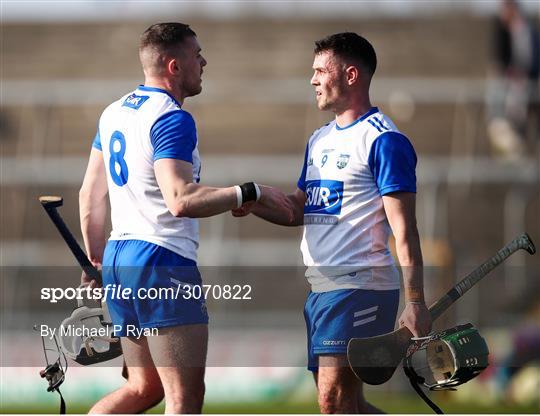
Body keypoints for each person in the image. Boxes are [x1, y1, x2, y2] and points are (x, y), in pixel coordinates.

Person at [79, 22, 292, 414]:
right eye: (197, 55)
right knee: (184, 397)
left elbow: (90, 195)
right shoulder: (171, 118)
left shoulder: (112, 112)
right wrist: (246, 192)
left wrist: (96, 261)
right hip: (161, 260)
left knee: (144, 389)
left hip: (119, 258)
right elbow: (179, 199)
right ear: (175, 66)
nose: (204, 61)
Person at [233, 32, 432, 413]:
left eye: (321, 70)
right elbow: (299, 209)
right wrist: (255, 201)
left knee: (332, 401)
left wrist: (416, 301)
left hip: (361, 286)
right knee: (346, 405)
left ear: (351, 75)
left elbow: (405, 230)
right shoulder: (319, 139)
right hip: (321, 289)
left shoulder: (384, 141)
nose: (313, 80)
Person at [486, 0, 540, 157]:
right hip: (509, 86)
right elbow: (498, 59)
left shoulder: (528, 30)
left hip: (529, 84)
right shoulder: (501, 31)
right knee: (506, 121)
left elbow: (533, 56)